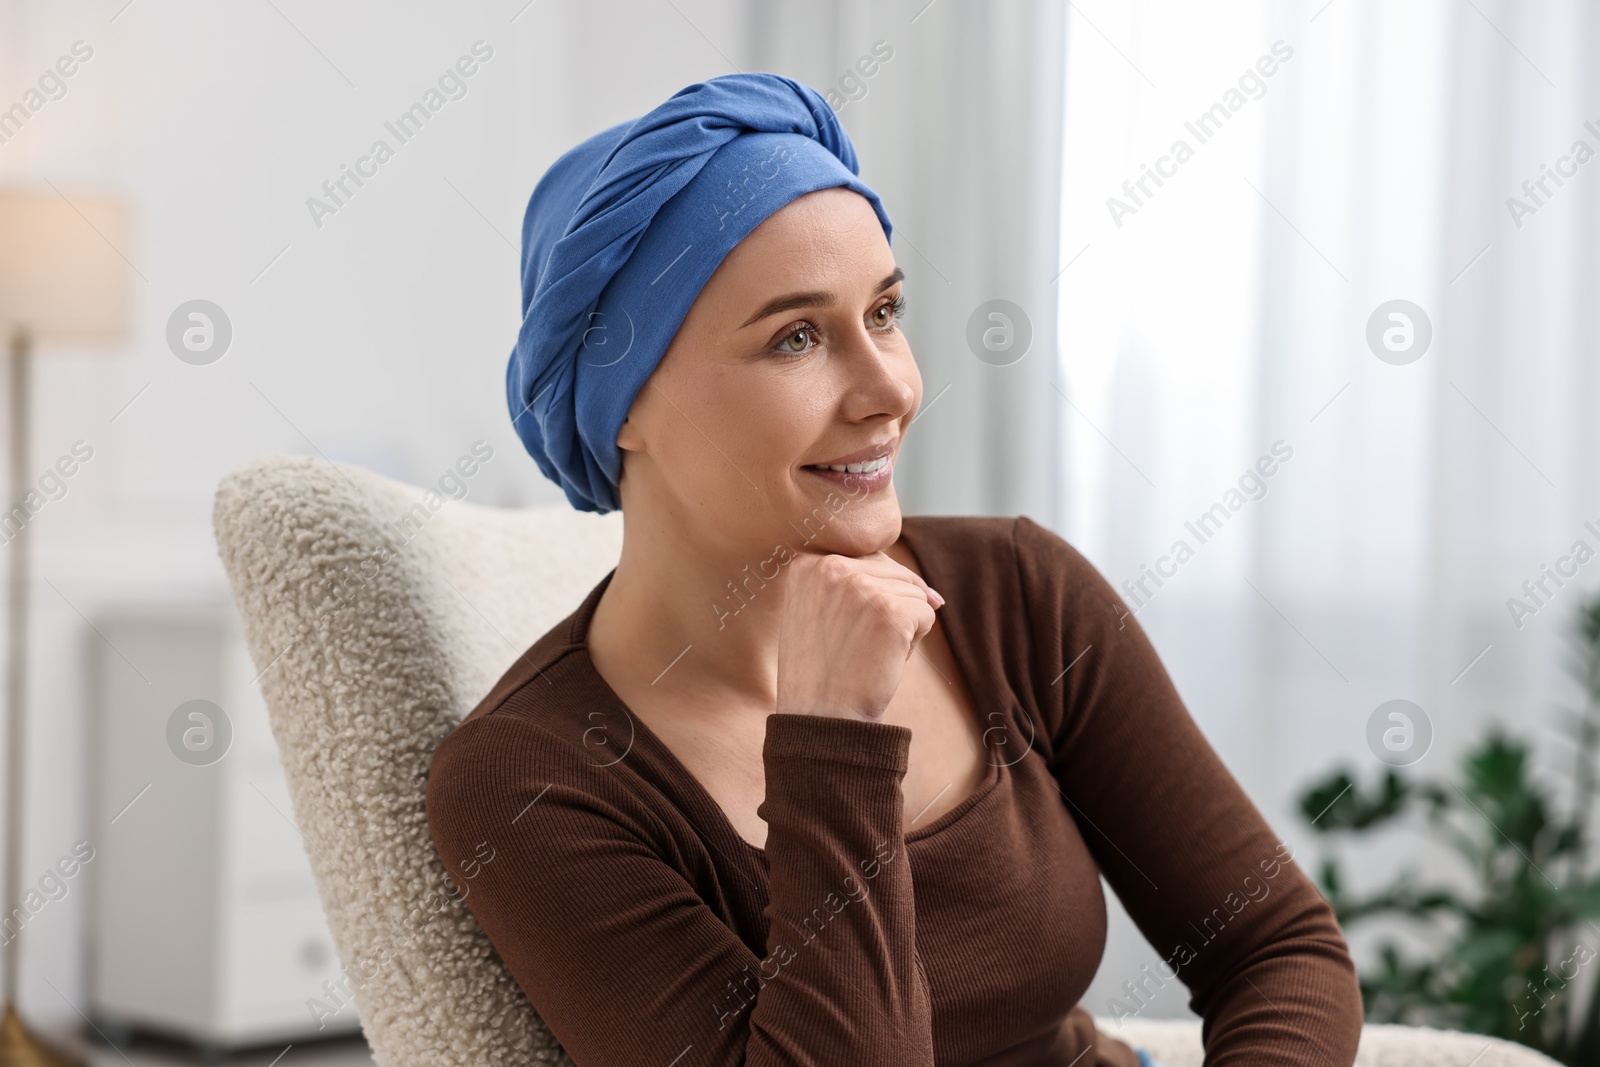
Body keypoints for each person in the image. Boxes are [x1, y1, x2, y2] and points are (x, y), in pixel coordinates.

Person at [425, 72, 1363, 1067]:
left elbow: (1273, 946)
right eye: (795, 337)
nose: (891, 388)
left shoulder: (1018, 592)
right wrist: (830, 741)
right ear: (621, 407)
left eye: (885, 311)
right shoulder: (529, 781)